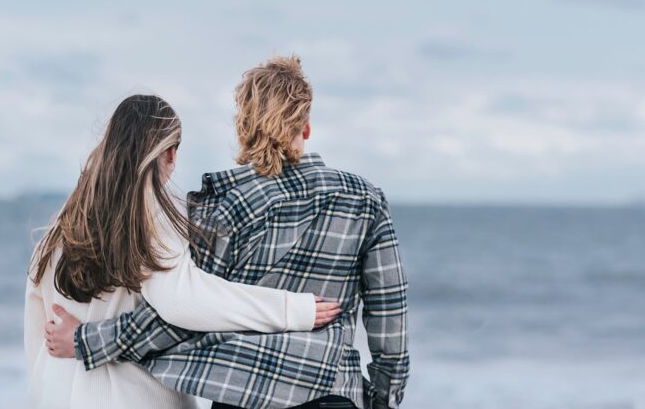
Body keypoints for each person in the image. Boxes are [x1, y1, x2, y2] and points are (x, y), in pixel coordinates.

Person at [46, 56, 409, 409]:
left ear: (243, 128)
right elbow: (390, 323)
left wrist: (87, 341)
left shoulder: (219, 208)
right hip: (332, 393)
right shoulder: (364, 200)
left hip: (241, 396)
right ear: (306, 126)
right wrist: (382, 400)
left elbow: (180, 314)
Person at [25, 94, 341, 409]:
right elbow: (184, 302)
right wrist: (291, 309)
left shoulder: (56, 233)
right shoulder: (151, 215)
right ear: (170, 153)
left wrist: (76, 348)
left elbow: (36, 339)